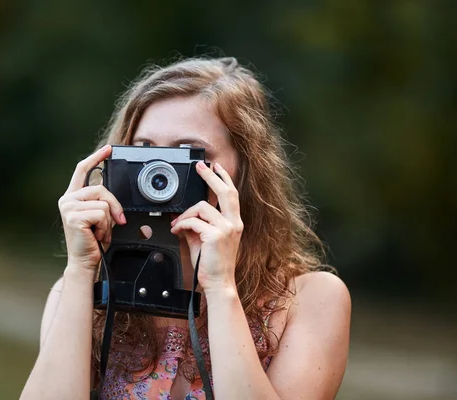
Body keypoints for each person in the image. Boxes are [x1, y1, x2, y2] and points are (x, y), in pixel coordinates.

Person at [20, 57, 351, 400]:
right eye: (144, 149)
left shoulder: (310, 300)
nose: (160, 172)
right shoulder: (81, 290)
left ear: (245, 171)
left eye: (190, 152)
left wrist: (221, 287)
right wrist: (80, 269)